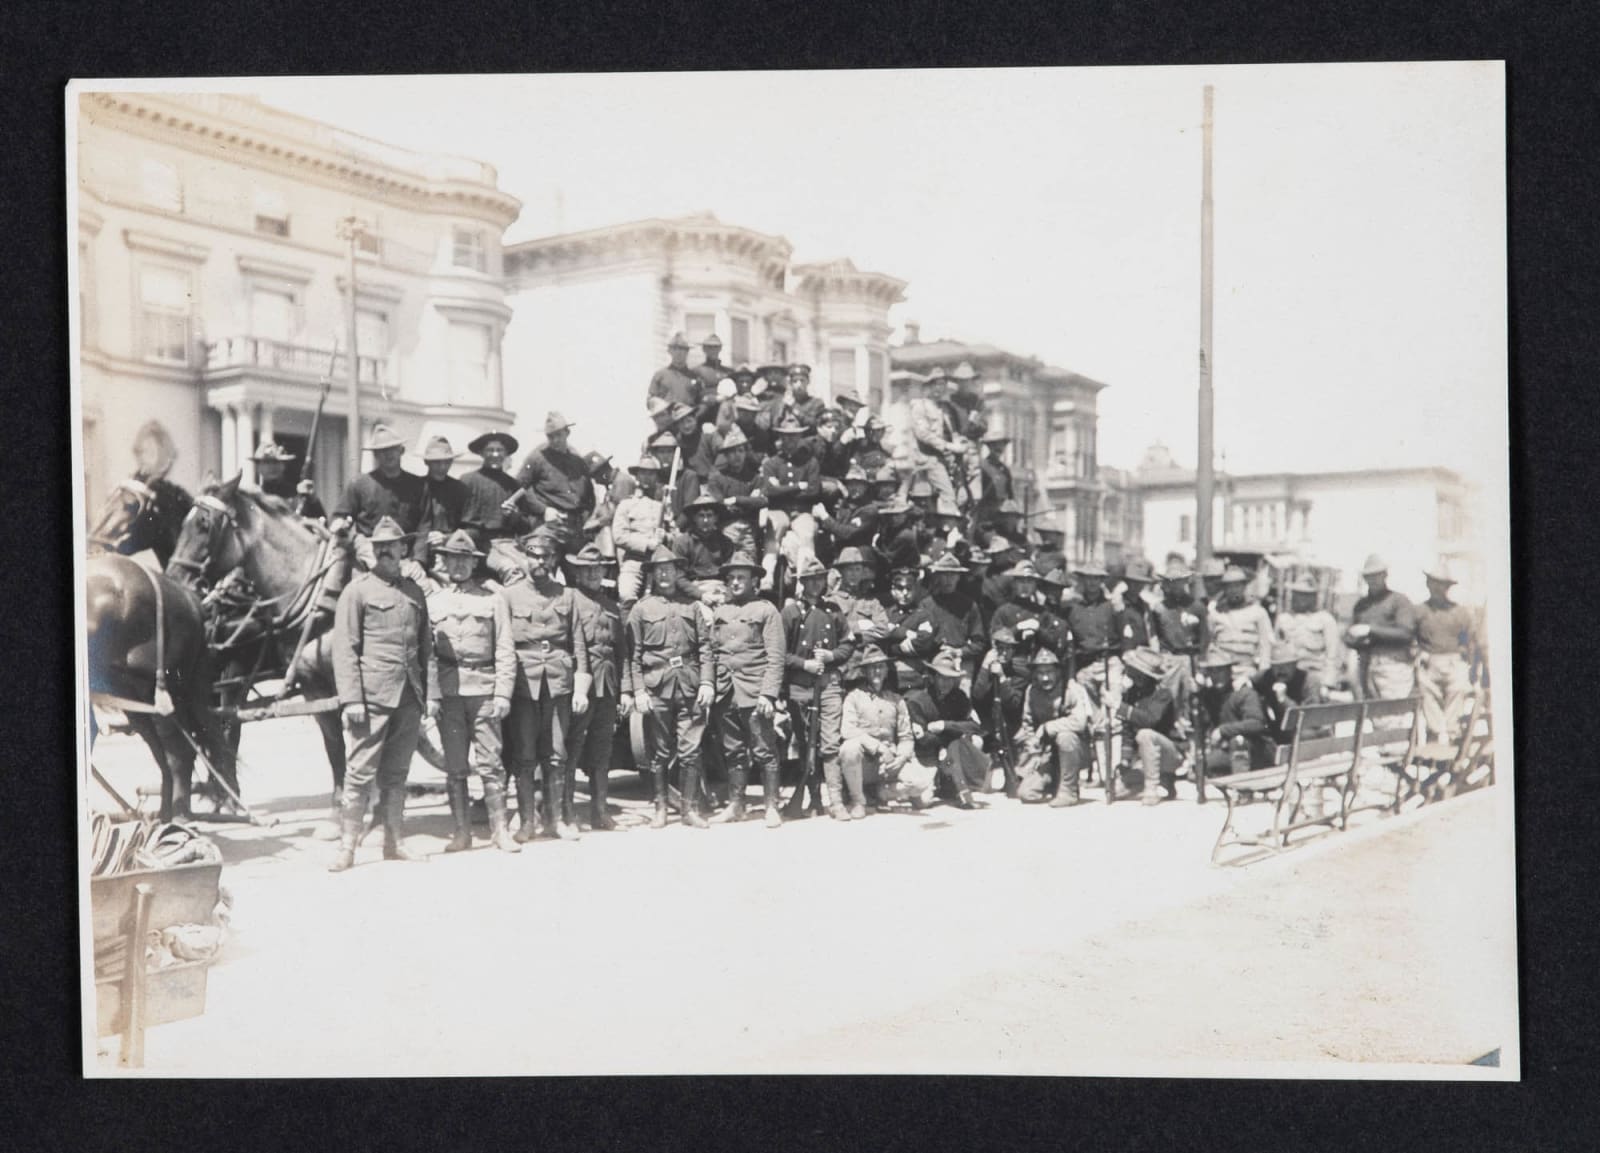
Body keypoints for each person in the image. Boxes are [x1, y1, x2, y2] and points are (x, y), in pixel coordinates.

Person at [329, 516, 432, 871]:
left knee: (397, 775)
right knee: (358, 774)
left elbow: (426, 647)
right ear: (372, 552)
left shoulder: (414, 592)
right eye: (380, 547)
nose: (387, 551)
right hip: (371, 698)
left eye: (393, 545)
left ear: (404, 549)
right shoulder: (356, 591)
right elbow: (345, 648)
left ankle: (394, 842)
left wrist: (428, 695)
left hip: (408, 697)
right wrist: (352, 699)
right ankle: (347, 849)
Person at [421, 530, 518, 854]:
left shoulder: (493, 599)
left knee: (491, 763)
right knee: (455, 765)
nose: (459, 565)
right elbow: (428, 655)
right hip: (450, 692)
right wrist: (432, 694)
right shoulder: (433, 602)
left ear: (474, 563)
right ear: (444, 562)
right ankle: (461, 833)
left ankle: (500, 831)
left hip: (484, 689)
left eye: (464, 559)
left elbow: (505, 647)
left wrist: (503, 693)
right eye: (453, 559)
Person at [500, 529, 591, 842]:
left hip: (559, 683)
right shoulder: (508, 595)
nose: (540, 561)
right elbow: (503, 643)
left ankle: (556, 820)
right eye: (534, 555)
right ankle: (527, 823)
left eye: (546, 556)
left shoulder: (568, 596)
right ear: (526, 557)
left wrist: (580, 688)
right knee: (524, 755)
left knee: (556, 753)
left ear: (554, 559)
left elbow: (579, 646)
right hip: (524, 684)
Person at [625, 545, 716, 829]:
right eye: (658, 570)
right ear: (652, 574)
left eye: (670, 569)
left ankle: (688, 810)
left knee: (691, 750)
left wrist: (707, 681)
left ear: (678, 573)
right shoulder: (641, 610)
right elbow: (634, 654)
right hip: (657, 686)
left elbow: (705, 648)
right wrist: (638, 690)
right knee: (660, 751)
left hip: (690, 684)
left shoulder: (692, 606)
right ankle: (661, 807)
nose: (664, 574)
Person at [710, 553, 787, 827]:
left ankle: (770, 806)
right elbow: (713, 653)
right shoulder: (721, 612)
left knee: (764, 750)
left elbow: (776, 656)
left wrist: (768, 694)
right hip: (726, 692)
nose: (735, 583)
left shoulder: (766, 611)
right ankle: (736, 805)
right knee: (733, 751)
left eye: (741, 577)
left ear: (754, 580)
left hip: (755, 692)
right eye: (730, 578)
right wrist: (712, 686)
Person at [782, 556, 856, 819]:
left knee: (830, 744)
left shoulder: (834, 610)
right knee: (805, 744)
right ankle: (812, 798)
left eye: (820, 579)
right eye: (810, 579)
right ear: (802, 583)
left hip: (828, 686)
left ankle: (835, 802)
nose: (815, 584)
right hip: (800, 687)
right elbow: (780, 654)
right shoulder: (790, 613)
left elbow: (848, 644)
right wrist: (805, 664)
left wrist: (831, 656)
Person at [331, 424, 425, 568]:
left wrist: (419, 560)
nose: (388, 455)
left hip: (407, 558)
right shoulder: (359, 484)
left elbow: (424, 525)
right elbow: (339, 517)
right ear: (375, 455)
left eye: (393, 449)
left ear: (402, 450)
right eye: (382, 451)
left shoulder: (418, 485)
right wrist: (342, 526)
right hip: (369, 556)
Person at [903, 647, 987, 809]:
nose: (946, 683)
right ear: (933, 677)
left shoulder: (959, 697)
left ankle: (957, 787)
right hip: (927, 755)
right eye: (941, 677)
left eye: (950, 678)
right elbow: (923, 740)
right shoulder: (917, 701)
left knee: (974, 741)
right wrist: (947, 740)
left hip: (950, 752)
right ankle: (943, 783)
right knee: (923, 801)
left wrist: (945, 726)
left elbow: (975, 727)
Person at [839, 647, 916, 816]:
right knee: (848, 748)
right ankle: (858, 801)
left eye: (881, 667)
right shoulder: (854, 697)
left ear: (887, 671)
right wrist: (879, 747)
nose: (877, 671)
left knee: (919, 783)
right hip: (866, 762)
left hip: (890, 763)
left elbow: (906, 736)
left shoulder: (896, 700)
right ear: (865, 671)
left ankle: (879, 794)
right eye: (872, 667)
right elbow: (848, 730)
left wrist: (902, 757)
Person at [1011, 649, 1093, 806]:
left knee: (1065, 737)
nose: (1045, 677)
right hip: (1047, 753)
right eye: (1040, 673)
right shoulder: (1032, 691)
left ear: (1057, 671)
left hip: (1075, 750)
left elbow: (1079, 722)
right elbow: (1027, 724)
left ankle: (1069, 791)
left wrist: (1047, 727)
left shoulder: (1071, 689)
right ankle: (1054, 781)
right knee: (1026, 794)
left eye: (1049, 672)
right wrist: (1032, 749)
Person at [507, 412, 595, 555]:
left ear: (567, 432)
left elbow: (589, 494)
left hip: (574, 528)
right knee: (541, 570)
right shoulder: (537, 457)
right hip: (547, 526)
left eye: (558, 435)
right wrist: (543, 510)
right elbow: (520, 488)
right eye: (550, 436)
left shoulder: (578, 461)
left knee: (580, 571)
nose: (555, 440)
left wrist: (585, 515)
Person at [1414, 561, 1477, 742]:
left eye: (1440, 584)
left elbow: (1470, 640)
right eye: (1432, 583)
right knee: (1427, 696)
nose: (1436, 588)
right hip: (1429, 661)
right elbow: (1411, 636)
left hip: (1453, 661)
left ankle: (1451, 736)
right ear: (1427, 584)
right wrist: (1418, 653)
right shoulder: (1420, 611)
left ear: (1447, 587)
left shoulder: (1460, 612)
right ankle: (1434, 736)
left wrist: (1467, 663)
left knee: (1457, 692)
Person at [898, 552, 986, 673]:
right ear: (938, 576)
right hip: (932, 662)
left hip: (961, 663)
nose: (948, 579)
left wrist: (960, 652)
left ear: (959, 576)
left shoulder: (969, 605)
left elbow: (979, 642)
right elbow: (915, 636)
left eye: (953, 575)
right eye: (944, 574)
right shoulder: (926, 605)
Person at [1346, 554, 1418, 700]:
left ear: (1385, 575)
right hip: (1366, 662)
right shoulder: (1362, 605)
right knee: (1369, 711)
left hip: (1393, 664)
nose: (1372, 580)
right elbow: (1350, 635)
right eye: (1369, 576)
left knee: (1392, 713)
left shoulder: (1399, 601)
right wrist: (1354, 639)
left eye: (1377, 575)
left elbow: (1406, 633)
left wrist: (1370, 630)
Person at [760, 416, 823, 577]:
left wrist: (781, 490)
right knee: (773, 530)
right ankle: (766, 578)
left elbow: (813, 491)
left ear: (800, 437)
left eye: (794, 435)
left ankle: (804, 581)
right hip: (778, 510)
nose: (790, 440)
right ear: (780, 438)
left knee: (807, 534)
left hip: (802, 511)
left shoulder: (810, 462)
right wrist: (797, 487)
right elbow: (769, 491)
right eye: (786, 436)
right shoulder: (772, 463)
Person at [1195, 650, 1274, 778]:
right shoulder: (1210, 696)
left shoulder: (1244, 693)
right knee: (1198, 769)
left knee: (1238, 741)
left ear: (1229, 671)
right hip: (1229, 751)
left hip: (1259, 750)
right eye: (1212, 672)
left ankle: (1243, 791)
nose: (1216, 676)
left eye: (1220, 670)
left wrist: (1223, 730)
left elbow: (1257, 723)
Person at [1120, 647, 1183, 806]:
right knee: (1122, 787)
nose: (1132, 675)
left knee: (1145, 734)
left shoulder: (1163, 694)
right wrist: (1126, 758)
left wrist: (1121, 708)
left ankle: (1152, 787)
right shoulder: (1131, 694)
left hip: (1170, 753)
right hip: (1145, 755)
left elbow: (1150, 720)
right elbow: (1127, 728)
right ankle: (1162, 780)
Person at [460, 430, 527, 578]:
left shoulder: (512, 484)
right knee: (510, 570)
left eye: (500, 450)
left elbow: (524, 526)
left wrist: (514, 515)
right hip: (478, 544)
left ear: (506, 454)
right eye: (490, 450)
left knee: (531, 569)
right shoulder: (468, 481)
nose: (495, 455)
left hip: (508, 543)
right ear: (481, 453)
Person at [610, 456, 668, 605]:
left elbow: (675, 534)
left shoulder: (663, 506)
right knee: (626, 594)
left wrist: (666, 536)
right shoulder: (626, 504)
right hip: (634, 560)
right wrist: (647, 544)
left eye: (651, 474)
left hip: (658, 561)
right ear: (637, 476)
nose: (646, 477)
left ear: (657, 477)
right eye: (643, 473)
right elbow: (619, 536)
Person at [1274, 576, 1341, 701]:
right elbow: (1277, 651)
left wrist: (1328, 683)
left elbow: (1333, 655)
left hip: (1315, 677)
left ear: (1313, 597)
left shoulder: (1325, 619)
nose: (1297, 598)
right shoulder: (1283, 619)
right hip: (1289, 677)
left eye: (1304, 595)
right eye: (1296, 593)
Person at [905, 371, 965, 508]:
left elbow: (953, 431)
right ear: (929, 387)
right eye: (937, 384)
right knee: (948, 496)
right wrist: (948, 446)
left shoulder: (946, 409)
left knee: (962, 496)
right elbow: (923, 434)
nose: (941, 388)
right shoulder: (920, 406)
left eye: (944, 384)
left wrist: (959, 443)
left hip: (947, 460)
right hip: (927, 459)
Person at [1209, 565, 1274, 676]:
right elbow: (1210, 644)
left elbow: (1266, 646)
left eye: (1237, 586)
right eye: (1229, 587)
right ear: (1224, 589)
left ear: (1244, 587)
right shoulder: (1215, 614)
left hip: (1247, 670)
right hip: (1221, 671)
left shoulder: (1258, 613)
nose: (1233, 590)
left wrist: (1261, 673)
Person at [416, 436, 469, 570]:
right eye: (437, 462)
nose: (442, 467)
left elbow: (472, 528)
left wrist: (447, 538)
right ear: (426, 462)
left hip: (452, 549)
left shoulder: (460, 489)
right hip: (419, 549)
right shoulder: (416, 487)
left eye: (446, 462)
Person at [647, 332, 700, 411]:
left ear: (687, 352)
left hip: (687, 419)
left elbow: (700, 401)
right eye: (675, 349)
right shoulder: (660, 375)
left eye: (682, 349)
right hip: (667, 420)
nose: (679, 353)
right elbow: (650, 401)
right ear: (670, 351)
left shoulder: (694, 376)